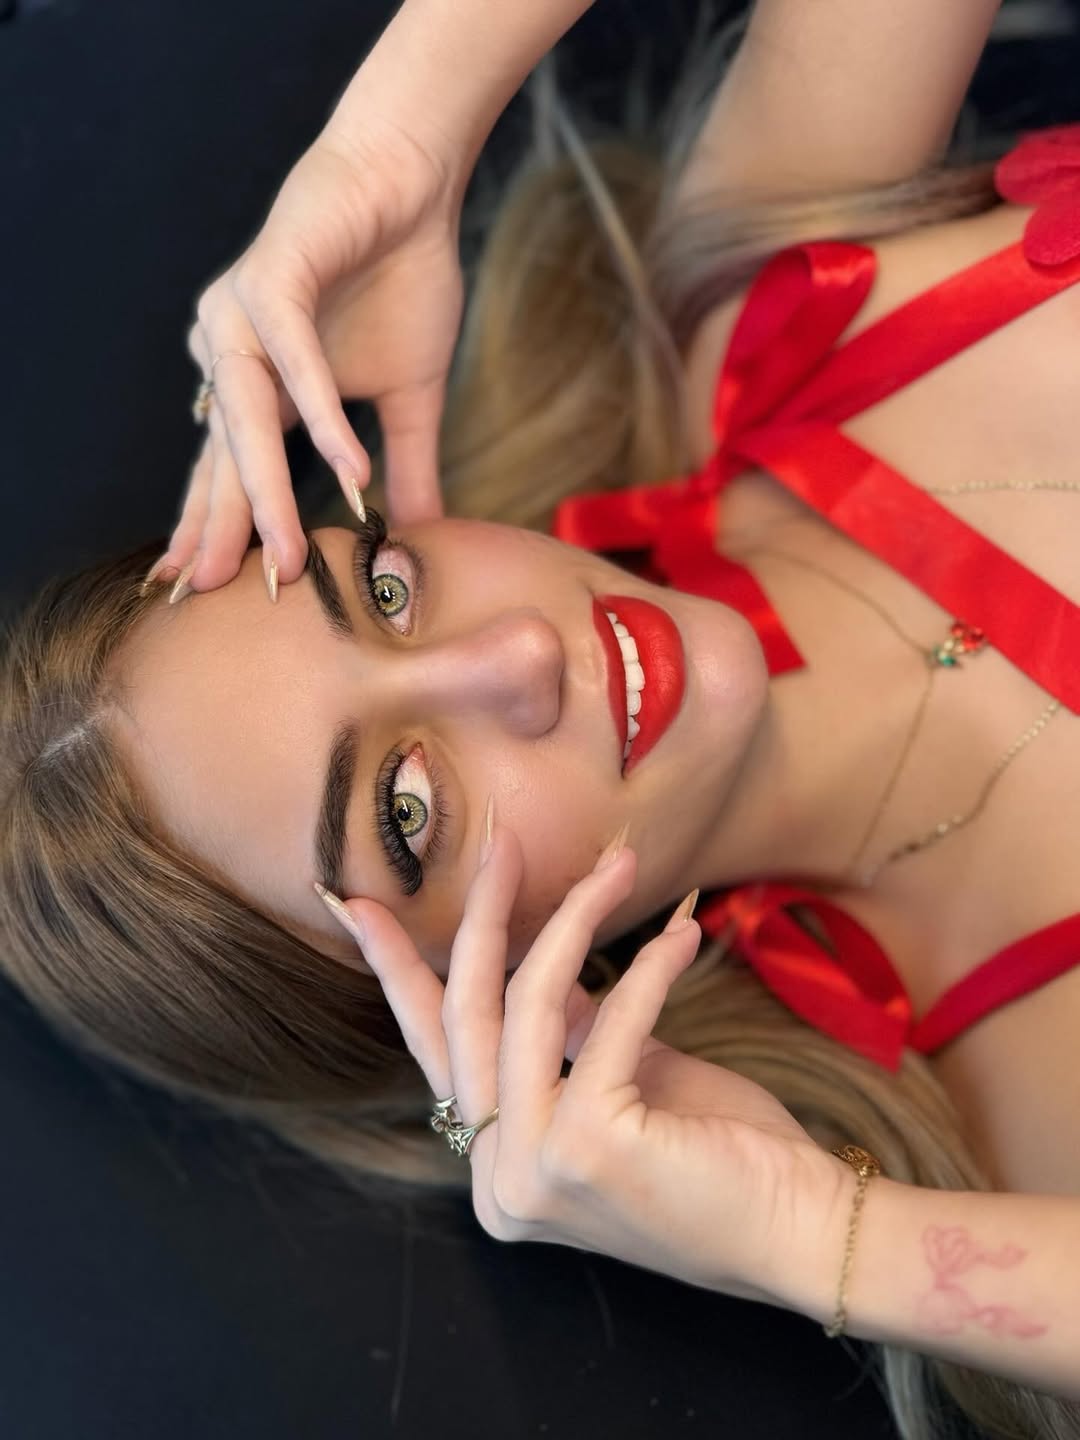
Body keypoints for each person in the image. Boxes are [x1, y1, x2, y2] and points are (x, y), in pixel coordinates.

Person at [3, 1, 1080, 1438]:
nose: (514, 656)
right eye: (409, 808)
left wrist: (403, 134)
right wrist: (819, 1239)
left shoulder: (766, 300)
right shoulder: (1028, 1131)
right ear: (482, 996)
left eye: (387, 591)